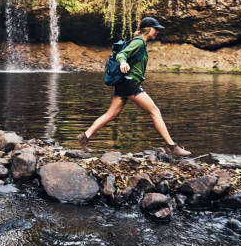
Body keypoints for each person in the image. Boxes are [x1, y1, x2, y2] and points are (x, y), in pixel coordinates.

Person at [77, 17, 192, 157]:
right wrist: (123, 62)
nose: (158, 32)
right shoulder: (139, 42)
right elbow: (122, 54)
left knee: (111, 114)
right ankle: (171, 146)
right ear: (149, 29)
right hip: (129, 83)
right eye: (156, 29)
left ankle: (85, 136)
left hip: (124, 83)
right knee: (155, 111)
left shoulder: (139, 42)